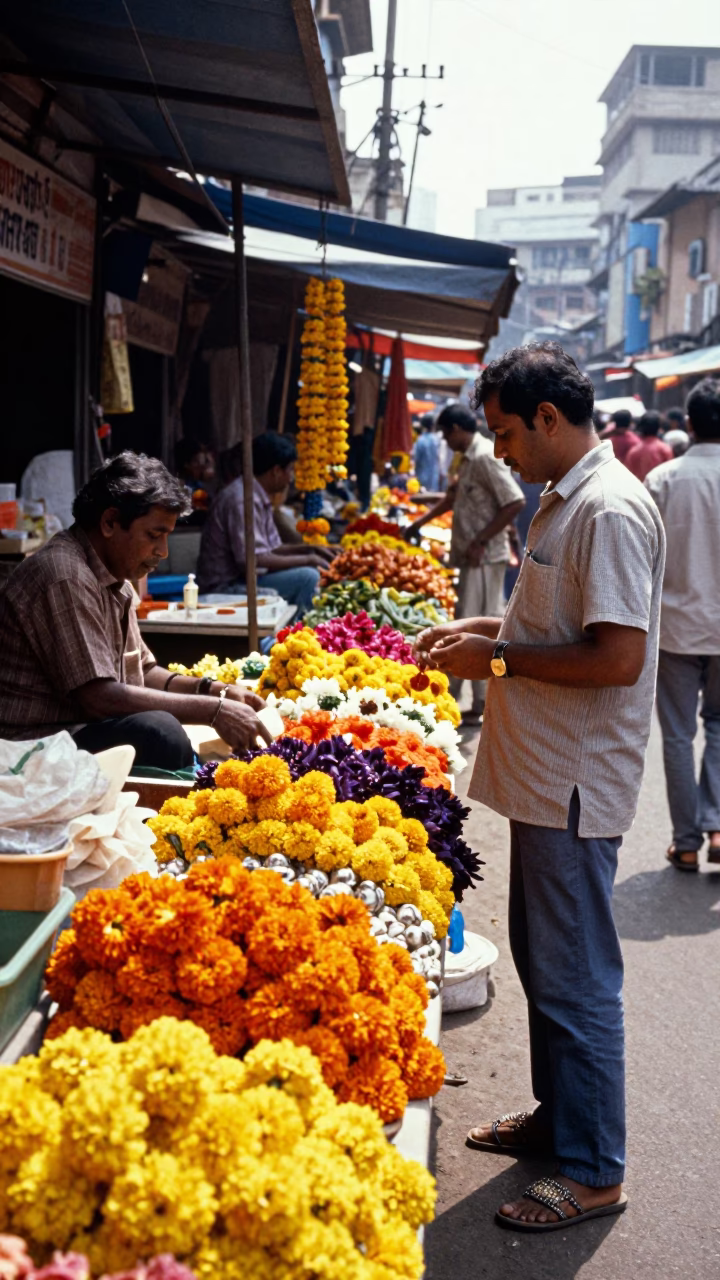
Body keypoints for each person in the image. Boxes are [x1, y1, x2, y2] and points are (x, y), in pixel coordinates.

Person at [413, 342, 665, 1232]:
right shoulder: (565, 499)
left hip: (574, 782)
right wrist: (485, 627)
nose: (504, 451)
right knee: (545, 963)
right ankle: (563, 1122)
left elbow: (618, 656)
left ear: (550, 421)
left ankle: (595, 1171)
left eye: (509, 433)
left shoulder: (611, 509)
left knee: (577, 979)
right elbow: (555, 620)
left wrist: (500, 655)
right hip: (543, 777)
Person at [0, 452, 270, 767]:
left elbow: (143, 671)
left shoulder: (115, 577)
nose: (163, 551)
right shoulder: (64, 575)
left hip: (75, 732)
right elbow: (99, 697)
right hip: (27, 748)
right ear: (110, 522)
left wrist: (215, 691)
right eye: (154, 535)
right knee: (159, 731)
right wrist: (212, 711)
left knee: (164, 727)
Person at [404, 403, 524, 724]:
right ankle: (460, 696)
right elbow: (452, 498)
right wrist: (420, 522)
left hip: (485, 556)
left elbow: (514, 502)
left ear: (456, 429)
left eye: (445, 434)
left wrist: (481, 540)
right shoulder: (465, 457)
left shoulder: (485, 456)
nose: (444, 440)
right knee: (466, 620)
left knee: (474, 625)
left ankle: (481, 703)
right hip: (472, 555)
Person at [645, 378, 720, 871]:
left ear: (688, 423)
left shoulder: (663, 479)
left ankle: (687, 841)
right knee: (718, 727)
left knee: (676, 735)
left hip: (674, 628)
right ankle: (718, 827)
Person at [197, 431, 334, 613]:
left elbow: (271, 548)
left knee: (309, 571)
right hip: (224, 587)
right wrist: (308, 559)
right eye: (290, 470)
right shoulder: (242, 499)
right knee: (308, 577)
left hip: (244, 579)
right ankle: (296, 634)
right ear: (276, 471)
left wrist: (312, 549)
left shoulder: (257, 495)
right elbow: (251, 559)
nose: (291, 478)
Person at [625, 411, 673, 481]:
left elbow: (627, 476)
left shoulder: (633, 451)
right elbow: (669, 475)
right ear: (659, 428)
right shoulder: (665, 449)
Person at [412, 413, 440, 491]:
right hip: (434, 477)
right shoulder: (437, 440)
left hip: (422, 477)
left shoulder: (420, 440)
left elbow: (417, 459)